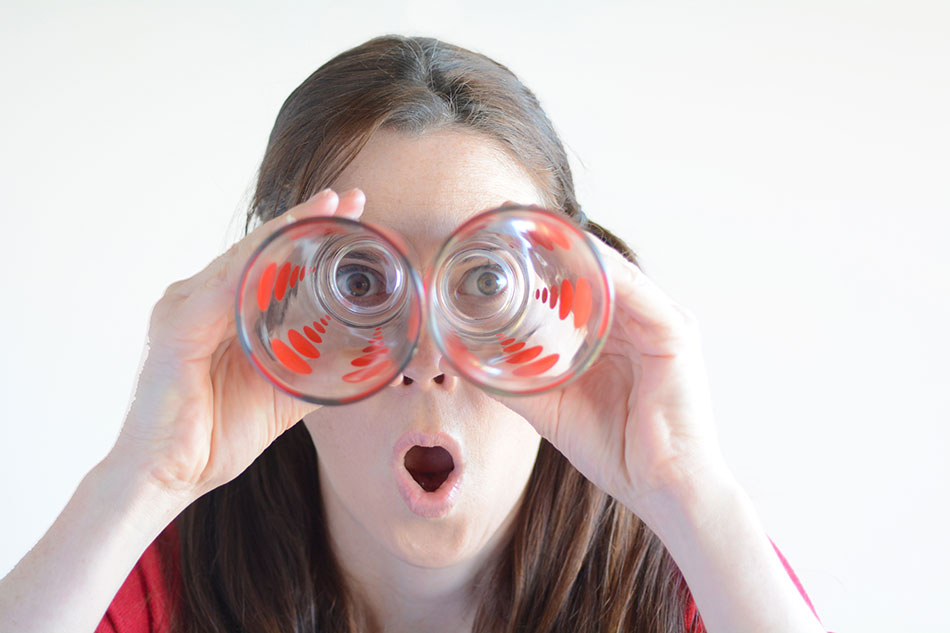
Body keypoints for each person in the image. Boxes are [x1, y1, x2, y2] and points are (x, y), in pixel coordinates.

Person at [0, 34, 831, 633]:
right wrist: (143, 478)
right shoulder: (161, 589)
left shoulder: (698, 584)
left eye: (485, 281)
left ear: (573, 299)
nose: (428, 358)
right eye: (361, 283)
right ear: (274, 306)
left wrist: (688, 491)